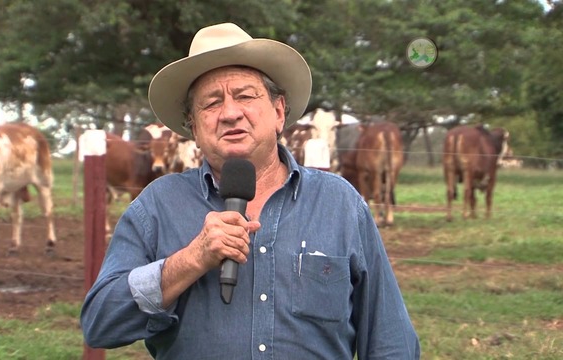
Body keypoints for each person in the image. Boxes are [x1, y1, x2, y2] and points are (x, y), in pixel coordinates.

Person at [80, 22, 420, 359]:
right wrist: (191, 259)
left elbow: (391, 341)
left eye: (245, 95)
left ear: (278, 112)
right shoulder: (156, 206)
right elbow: (100, 323)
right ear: (194, 129)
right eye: (212, 103)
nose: (230, 113)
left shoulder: (340, 204)